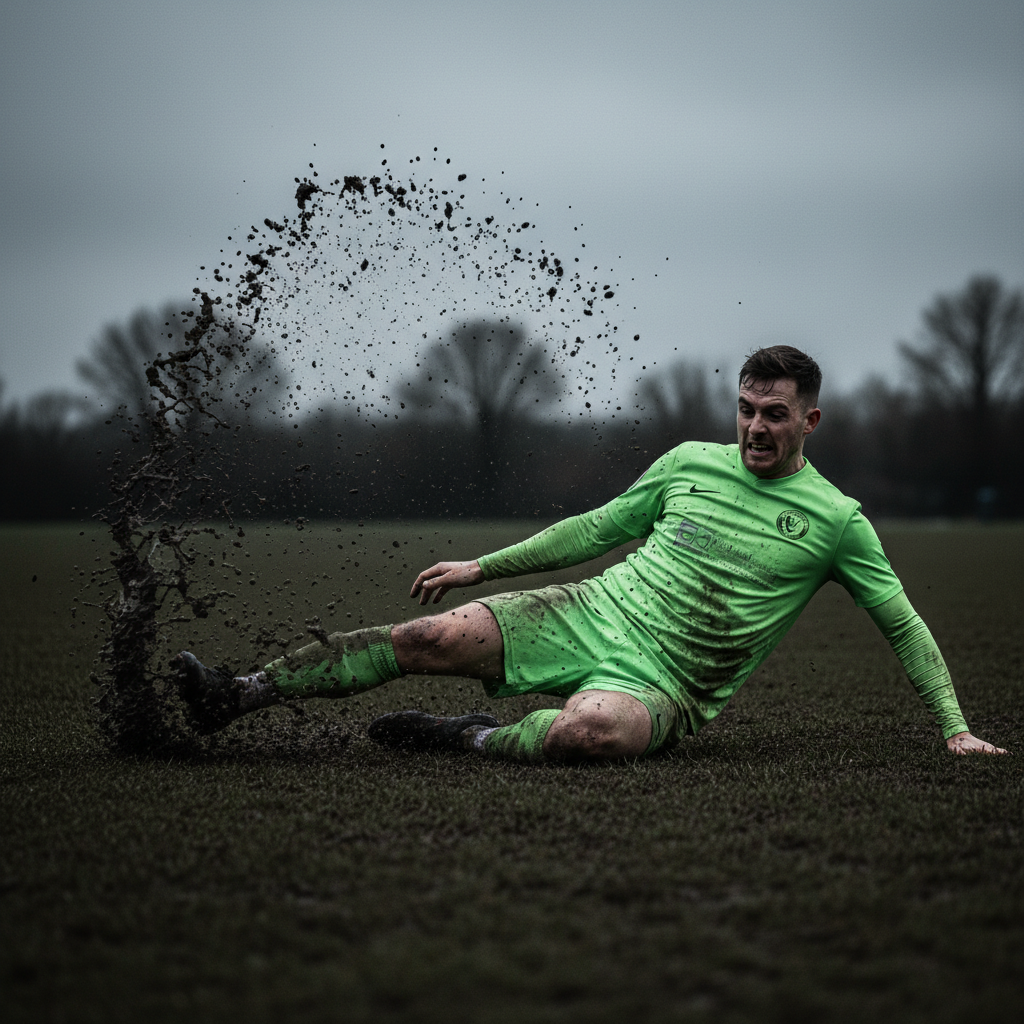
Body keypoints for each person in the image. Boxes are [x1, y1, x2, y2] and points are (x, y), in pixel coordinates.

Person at [176, 345, 1008, 760]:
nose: (756, 426)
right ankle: (235, 692)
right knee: (423, 639)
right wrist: (482, 567)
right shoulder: (688, 464)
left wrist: (956, 729)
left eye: (776, 414)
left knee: (591, 736)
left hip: (664, 683)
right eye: (748, 408)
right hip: (588, 612)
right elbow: (595, 530)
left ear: (809, 423)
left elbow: (902, 623)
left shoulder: (837, 521)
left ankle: (468, 737)